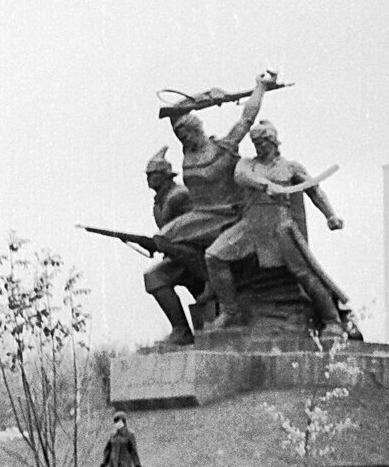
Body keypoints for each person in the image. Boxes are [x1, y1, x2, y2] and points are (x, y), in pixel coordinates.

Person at [205, 119, 354, 335]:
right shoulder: (249, 164)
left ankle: (331, 320)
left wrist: (330, 215)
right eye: (256, 142)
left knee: (303, 272)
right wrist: (265, 185)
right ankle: (230, 312)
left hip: (279, 224)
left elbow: (314, 191)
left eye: (264, 141)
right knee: (214, 256)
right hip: (251, 224)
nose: (260, 145)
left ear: (274, 141)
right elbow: (241, 176)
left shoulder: (291, 167)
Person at [153, 72, 276, 294]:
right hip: (201, 214)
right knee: (164, 238)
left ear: (196, 130)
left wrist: (260, 88)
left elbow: (246, 119)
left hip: (228, 212)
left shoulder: (223, 147)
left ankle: (219, 284)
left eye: (186, 134)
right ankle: (210, 279)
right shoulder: (187, 153)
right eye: (180, 136)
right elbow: (175, 109)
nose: (183, 139)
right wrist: (208, 95)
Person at [143, 146, 204, 346]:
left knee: (154, 277)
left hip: (194, 256)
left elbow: (198, 224)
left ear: (165, 175)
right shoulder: (158, 204)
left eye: (153, 174)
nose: (149, 178)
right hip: (177, 256)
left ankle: (182, 330)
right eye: (148, 175)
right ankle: (187, 330)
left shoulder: (179, 196)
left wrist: (170, 245)